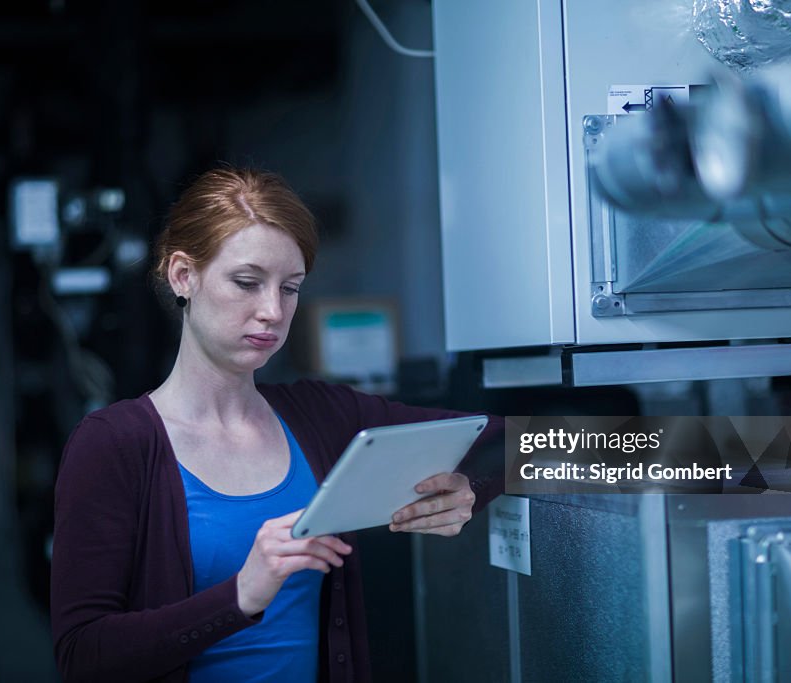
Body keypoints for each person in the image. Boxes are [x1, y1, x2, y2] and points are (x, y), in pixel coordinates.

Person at [50, 167, 503, 683]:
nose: (272, 311)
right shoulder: (114, 445)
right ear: (183, 276)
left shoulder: (325, 416)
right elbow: (82, 658)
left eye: (290, 289)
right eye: (247, 283)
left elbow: (513, 442)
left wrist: (472, 486)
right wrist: (240, 595)